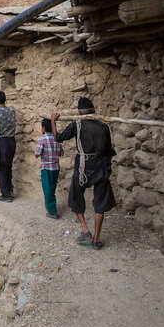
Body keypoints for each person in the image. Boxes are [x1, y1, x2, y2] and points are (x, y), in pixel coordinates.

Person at [51, 97, 117, 250]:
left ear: (79, 112)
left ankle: (85, 229)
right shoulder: (103, 126)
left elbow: (58, 137)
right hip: (101, 167)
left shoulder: (78, 124)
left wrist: (53, 121)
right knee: (100, 204)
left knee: (75, 197)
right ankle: (96, 239)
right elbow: (109, 151)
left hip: (84, 168)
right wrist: (107, 167)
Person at [35, 118, 64, 219]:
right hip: (56, 167)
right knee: (52, 187)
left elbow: (37, 154)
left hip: (46, 167)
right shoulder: (57, 139)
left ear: (43, 128)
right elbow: (61, 153)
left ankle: (52, 211)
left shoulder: (41, 140)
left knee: (47, 189)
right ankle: (50, 206)